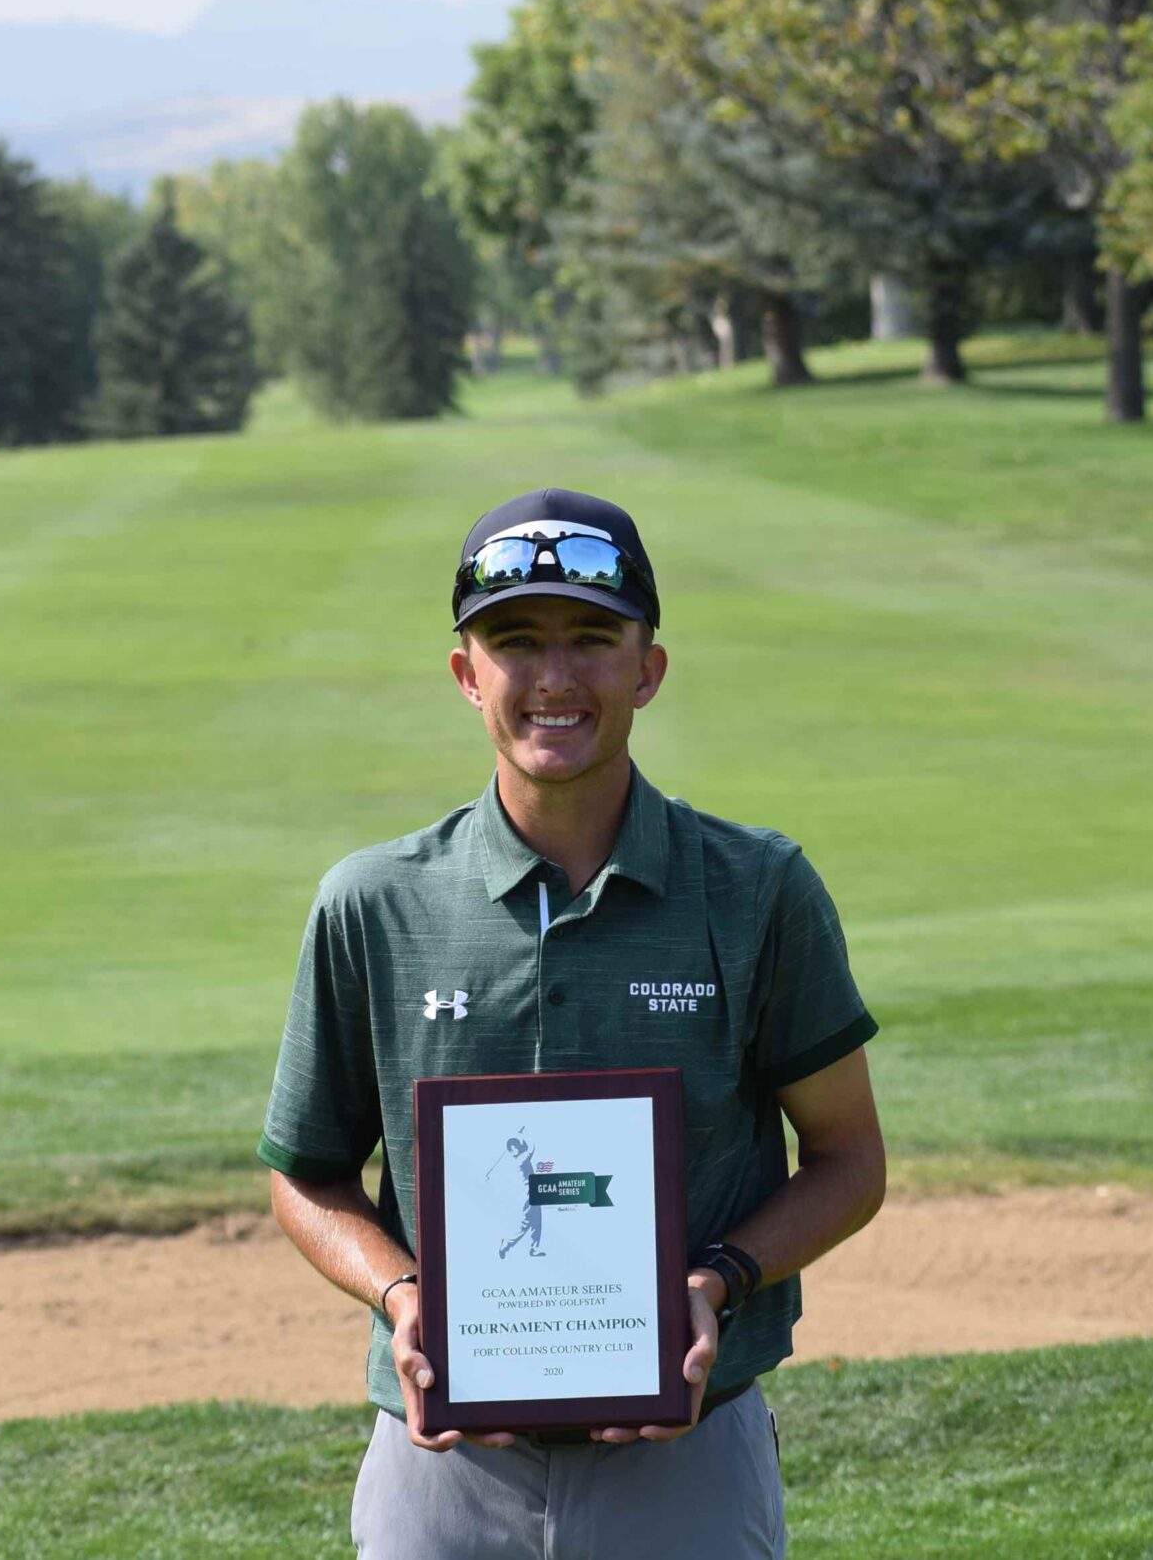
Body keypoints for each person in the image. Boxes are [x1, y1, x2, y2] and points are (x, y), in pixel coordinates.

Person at [260, 488, 887, 1559]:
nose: (554, 677)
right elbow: (305, 1175)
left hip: (687, 1452)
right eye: (515, 641)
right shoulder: (372, 901)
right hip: (441, 1471)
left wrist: (714, 1280)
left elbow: (846, 1157)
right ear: (467, 673)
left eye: (592, 639)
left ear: (647, 666)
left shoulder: (754, 887)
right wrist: (403, 1294)